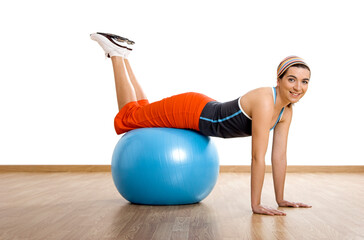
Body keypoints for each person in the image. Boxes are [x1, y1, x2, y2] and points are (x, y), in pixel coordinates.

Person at [90, 32, 312, 216]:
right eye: (291, 79)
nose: (298, 87)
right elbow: (257, 157)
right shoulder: (266, 101)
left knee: (142, 112)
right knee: (130, 118)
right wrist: (255, 205)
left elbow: (279, 157)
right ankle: (116, 55)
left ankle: (123, 54)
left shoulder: (286, 112)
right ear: (279, 79)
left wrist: (280, 199)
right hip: (192, 111)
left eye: (304, 82)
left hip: (203, 109)